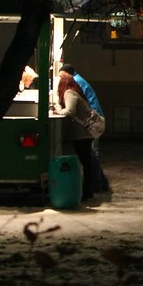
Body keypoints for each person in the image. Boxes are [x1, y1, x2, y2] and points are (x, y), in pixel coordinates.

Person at [59, 64, 110, 194]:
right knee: (91, 156)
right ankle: (100, 184)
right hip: (92, 120)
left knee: (91, 156)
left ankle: (96, 186)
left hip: (89, 124)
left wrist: (60, 110)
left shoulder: (74, 84)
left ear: (67, 76)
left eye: (61, 76)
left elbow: (71, 109)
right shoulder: (78, 81)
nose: (60, 80)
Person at [52, 73, 100, 201]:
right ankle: (89, 189)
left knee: (85, 161)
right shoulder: (75, 92)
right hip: (85, 133)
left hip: (81, 133)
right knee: (87, 161)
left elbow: (70, 111)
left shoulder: (69, 93)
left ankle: (88, 190)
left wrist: (58, 110)